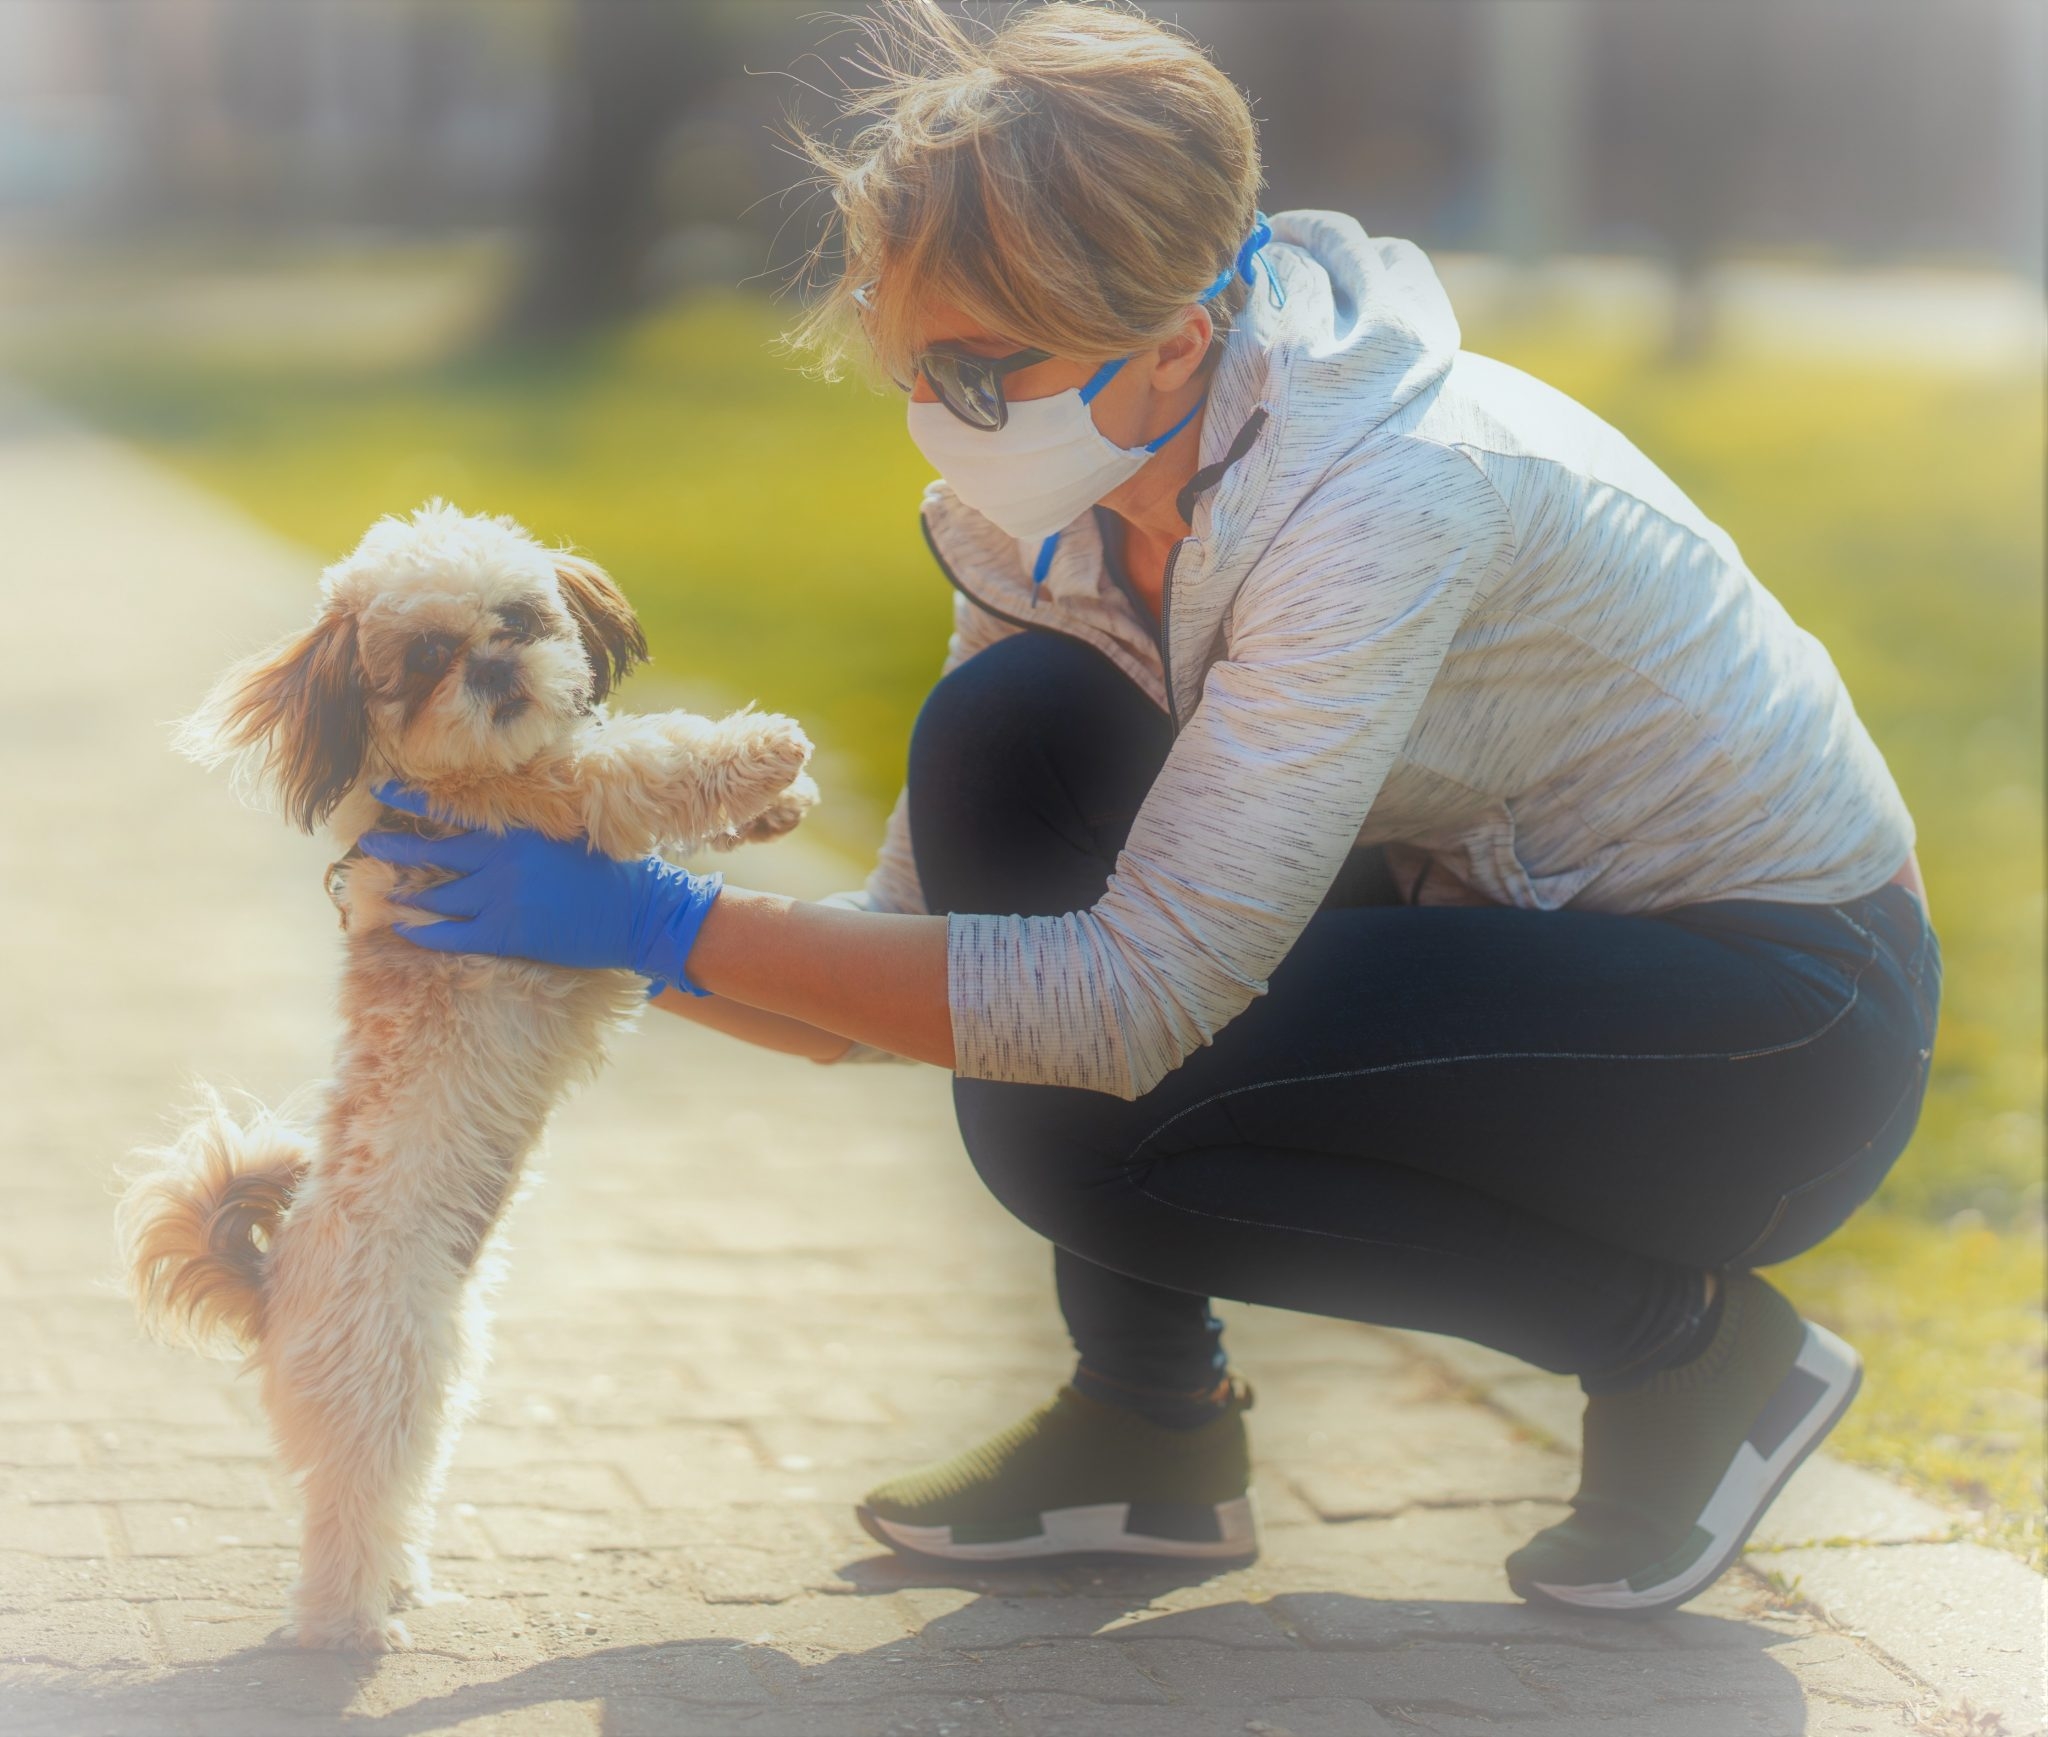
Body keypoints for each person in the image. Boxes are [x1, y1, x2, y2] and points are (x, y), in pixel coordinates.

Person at [359, 1, 1940, 1616]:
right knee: (1009, 735)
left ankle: (1690, 1352)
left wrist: (650, 917)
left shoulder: (1385, 499)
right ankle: (1149, 1433)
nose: (938, 414)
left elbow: (1126, 1005)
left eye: (983, 372)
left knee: (1082, 1127)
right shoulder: (1042, 503)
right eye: (915, 363)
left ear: (1179, 339)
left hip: (1776, 1030)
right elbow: (891, 969)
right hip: (1507, 932)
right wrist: (562, 926)